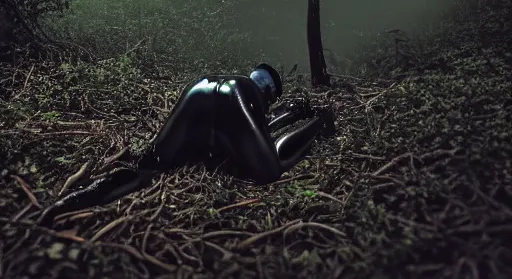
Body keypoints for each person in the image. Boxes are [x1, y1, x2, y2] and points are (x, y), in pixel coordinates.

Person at [40, 63, 332, 226]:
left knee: (147, 166)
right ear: (269, 91)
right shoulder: (251, 91)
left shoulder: (238, 79)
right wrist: (299, 115)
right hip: (236, 98)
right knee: (270, 169)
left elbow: (240, 130)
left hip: (199, 88)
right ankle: (320, 122)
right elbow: (256, 134)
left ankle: (74, 200)